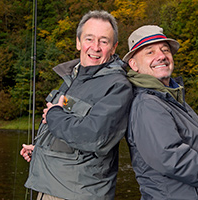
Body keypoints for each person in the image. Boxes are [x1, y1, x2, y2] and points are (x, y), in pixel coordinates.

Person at [20, 10, 133, 200]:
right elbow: (70, 132)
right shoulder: (73, 77)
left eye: (103, 41)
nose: (95, 47)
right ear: (78, 42)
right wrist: (41, 149)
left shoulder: (118, 86)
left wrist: (54, 114)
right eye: (89, 39)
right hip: (51, 187)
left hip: (78, 194)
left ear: (114, 48)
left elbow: (95, 136)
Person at [123, 25, 198, 200]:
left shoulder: (171, 97)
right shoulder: (147, 104)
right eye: (150, 52)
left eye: (165, 50)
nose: (161, 56)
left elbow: (194, 148)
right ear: (134, 65)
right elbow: (174, 160)